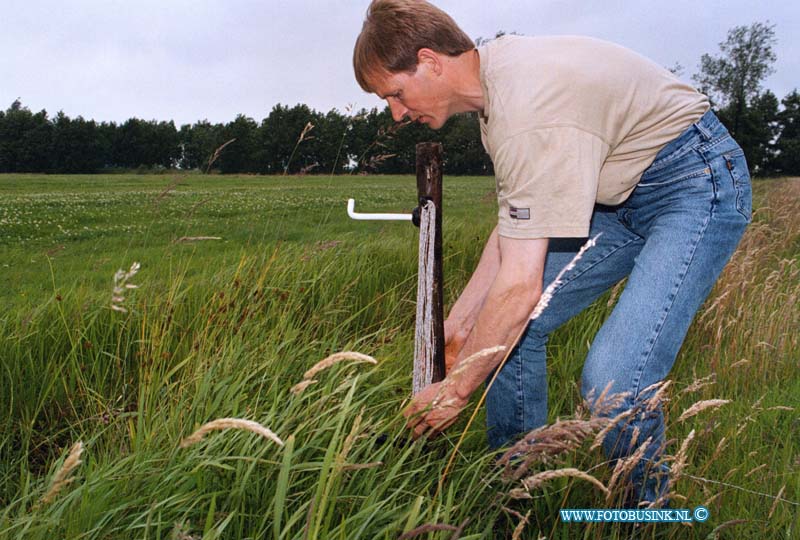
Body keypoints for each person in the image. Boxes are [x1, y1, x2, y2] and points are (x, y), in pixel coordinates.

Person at [353, 0, 751, 506]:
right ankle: (517, 494)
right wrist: (459, 323)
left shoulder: (524, 109)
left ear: (430, 61)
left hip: (693, 182)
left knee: (615, 379)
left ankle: (647, 513)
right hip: (614, 196)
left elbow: (520, 286)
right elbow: (512, 232)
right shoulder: (494, 94)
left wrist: (453, 394)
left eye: (395, 93)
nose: (397, 113)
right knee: (506, 335)